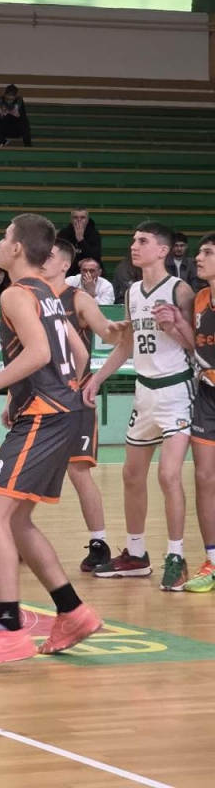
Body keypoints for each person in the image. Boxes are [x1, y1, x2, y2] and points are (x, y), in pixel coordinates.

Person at [0, 214, 102, 666]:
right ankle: (72, 612)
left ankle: (9, 628)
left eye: (3, 238)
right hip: (60, 412)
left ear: (18, 248)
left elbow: (39, 352)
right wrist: (28, 395)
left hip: (46, 416)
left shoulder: (16, 293)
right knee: (17, 521)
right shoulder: (49, 294)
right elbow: (79, 353)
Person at [82, 221, 195, 589]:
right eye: (133, 240)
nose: (134, 246)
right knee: (131, 475)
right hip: (144, 392)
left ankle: (176, 556)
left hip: (176, 391)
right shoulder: (131, 291)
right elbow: (127, 344)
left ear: (162, 250)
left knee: (168, 475)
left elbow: (198, 344)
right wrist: (97, 378)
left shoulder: (180, 289)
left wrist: (174, 327)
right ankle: (136, 554)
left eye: (142, 241)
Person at [43, 239, 126, 573]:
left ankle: (99, 543)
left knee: (78, 472)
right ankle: (16, 534)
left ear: (65, 264)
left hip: (75, 396)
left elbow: (111, 335)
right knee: (29, 469)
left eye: (49, 256)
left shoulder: (78, 299)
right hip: (39, 395)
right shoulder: (32, 296)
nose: (42, 259)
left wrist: (115, 332)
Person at [181, 233, 215, 593]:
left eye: (208, 252)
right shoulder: (201, 298)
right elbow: (197, 345)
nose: (199, 258)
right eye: (200, 252)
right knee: (204, 478)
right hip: (207, 394)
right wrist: (176, 326)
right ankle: (212, 560)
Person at [56, 208, 101, 273]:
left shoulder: (94, 234)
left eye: (82, 218)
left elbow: (95, 257)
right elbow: (60, 256)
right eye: (75, 217)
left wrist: (81, 240)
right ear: (71, 220)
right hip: (69, 270)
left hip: (89, 270)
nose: (79, 220)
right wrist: (77, 263)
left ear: (87, 220)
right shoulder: (63, 233)